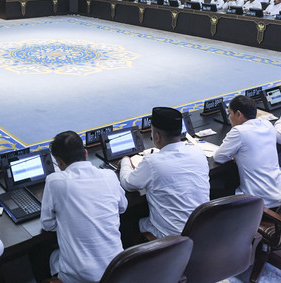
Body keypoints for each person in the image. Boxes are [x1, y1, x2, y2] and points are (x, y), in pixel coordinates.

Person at [41, 131, 127, 282]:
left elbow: (47, 224)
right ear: (86, 153)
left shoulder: (54, 182)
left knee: (43, 255)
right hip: (117, 271)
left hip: (80, 277)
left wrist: (68, 223)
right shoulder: (109, 175)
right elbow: (123, 207)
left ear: (59, 162)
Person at [119, 107, 209, 238]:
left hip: (170, 238)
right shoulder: (198, 152)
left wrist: (125, 162)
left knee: (127, 223)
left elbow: (128, 183)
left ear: (156, 136)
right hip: (201, 230)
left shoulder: (152, 162)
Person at [213, 96, 281, 208]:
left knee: (213, 193)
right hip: (280, 194)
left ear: (238, 114)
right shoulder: (267, 124)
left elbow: (219, 157)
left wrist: (235, 155)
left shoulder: (239, 131)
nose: (229, 118)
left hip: (258, 203)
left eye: (230, 113)